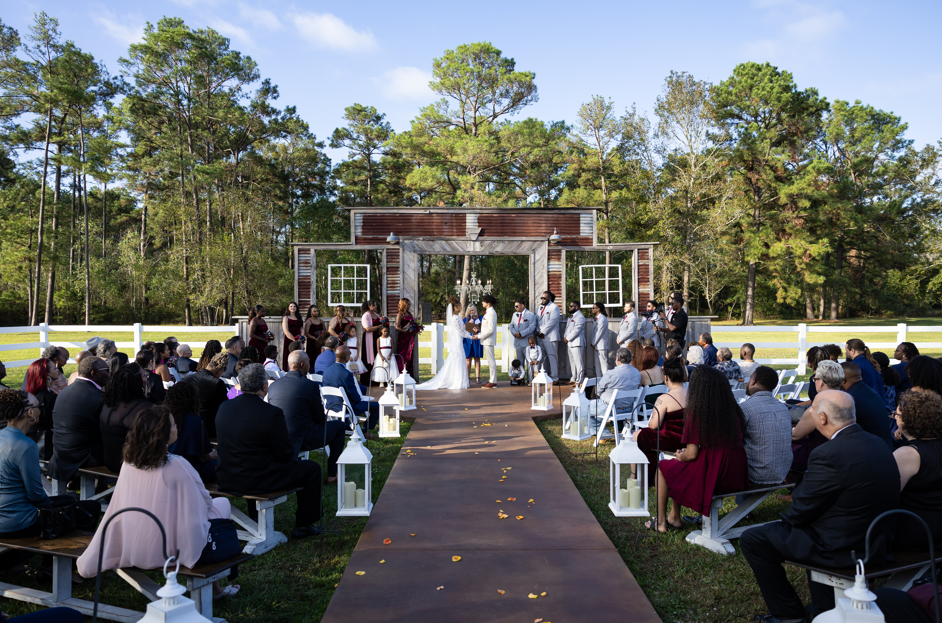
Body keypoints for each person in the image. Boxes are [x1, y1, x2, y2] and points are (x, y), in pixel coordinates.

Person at [740, 390, 900, 622]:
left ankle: (788, 615)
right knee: (811, 529)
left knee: (753, 539)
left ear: (822, 418)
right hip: (877, 541)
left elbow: (799, 513)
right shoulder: (879, 443)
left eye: (811, 410)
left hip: (843, 548)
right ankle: (823, 606)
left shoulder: (827, 454)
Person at [76, 406, 239, 599]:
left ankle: (216, 588)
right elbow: (205, 502)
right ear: (163, 433)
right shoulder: (176, 464)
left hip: (133, 539)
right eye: (173, 425)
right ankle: (215, 587)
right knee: (222, 504)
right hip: (168, 548)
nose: (176, 427)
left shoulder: (128, 462)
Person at [216, 364, 322, 539]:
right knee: (312, 469)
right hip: (257, 479)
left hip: (226, 476)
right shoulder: (271, 413)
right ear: (264, 386)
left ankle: (255, 518)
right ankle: (303, 525)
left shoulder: (225, 407)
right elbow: (286, 454)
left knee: (255, 462)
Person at [0, 390, 101, 568]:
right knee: (90, 508)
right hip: (17, 523)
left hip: (6, 517)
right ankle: (61, 567)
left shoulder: (4, 436)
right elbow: (36, 495)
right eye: (39, 406)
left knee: (69, 500)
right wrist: (55, 509)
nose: (40, 410)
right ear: (30, 412)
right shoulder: (25, 446)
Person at [646, 366, 748, 532]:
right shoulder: (733, 411)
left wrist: (681, 456)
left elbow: (692, 454)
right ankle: (674, 517)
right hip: (735, 471)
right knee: (677, 468)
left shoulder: (697, 413)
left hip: (713, 473)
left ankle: (661, 522)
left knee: (664, 467)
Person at [268, 351, 345, 482]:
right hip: (302, 438)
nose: (309, 366)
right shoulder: (310, 386)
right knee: (339, 426)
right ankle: (332, 474)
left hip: (279, 438)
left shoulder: (274, 385)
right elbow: (320, 418)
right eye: (309, 362)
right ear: (303, 364)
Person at [891, 390, 942, 551]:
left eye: (897, 415)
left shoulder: (908, 454)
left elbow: (887, 496)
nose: (895, 418)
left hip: (916, 529)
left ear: (908, 420)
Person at [49, 356, 110, 484]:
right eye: (107, 370)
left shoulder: (65, 391)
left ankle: (101, 488)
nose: (109, 374)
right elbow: (107, 429)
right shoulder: (98, 398)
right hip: (83, 456)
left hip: (60, 452)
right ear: (94, 373)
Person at [740, 366, 793, 486]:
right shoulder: (783, 407)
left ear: (753, 381)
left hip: (755, 473)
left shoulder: (745, 408)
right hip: (782, 471)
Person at [633, 357, 688, 471]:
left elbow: (653, 425)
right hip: (690, 439)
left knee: (637, 435)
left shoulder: (664, 398)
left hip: (671, 440)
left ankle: (638, 475)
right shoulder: (693, 394)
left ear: (666, 378)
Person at [791, 360, 845, 472]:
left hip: (817, 457)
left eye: (814, 379)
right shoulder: (848, 402)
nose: (814, 382)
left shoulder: (816, 408)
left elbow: (795, 436)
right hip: (840, 453)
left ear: (821, 382)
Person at [100, 364, 152, 473]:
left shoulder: (109, 404)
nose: (146, 378)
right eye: (144, 376)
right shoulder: (144, 407)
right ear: (137, 382)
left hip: (109, 461)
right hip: (130, 464)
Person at [415, 297, 471, 391]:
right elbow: (461, 331)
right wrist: (471, 336)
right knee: (458, 358)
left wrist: (467, 326)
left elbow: (461, 328)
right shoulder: (456, 317)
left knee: (457, 358)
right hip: (457, 340)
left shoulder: (454, 317)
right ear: (455, 307)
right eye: (460, 306)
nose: (461, 307)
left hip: (457, 339)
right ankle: (458, 381)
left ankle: (456, 380)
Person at [165, 382, 216, 482]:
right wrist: (211, 456)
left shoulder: (165, 419)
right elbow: (203, 458)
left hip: (169, 467)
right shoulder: (197, 422)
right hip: (192, 470)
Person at [323, 346, 380, 434]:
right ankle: (365, 431)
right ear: (346, 358)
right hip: (346, 407)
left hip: (330, 406)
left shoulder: (326, 371)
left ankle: (347, 426)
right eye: (349, 355)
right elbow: (355, 397)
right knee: (378, 405)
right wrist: (360, 400)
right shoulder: (346, 374)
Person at [840, 361, 895, 448]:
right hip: (884, 446)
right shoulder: (868, 391)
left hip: (871, 449)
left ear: (843, 379)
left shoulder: (850, 398)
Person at [179, 351, 229, 438]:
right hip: (208, 426)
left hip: (187, 422)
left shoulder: (188, 378)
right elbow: (224, 407)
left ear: (208, 364)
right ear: (220, 371)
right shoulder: (217, 383)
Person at [590, 348, 640, 423]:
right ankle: (597, 427)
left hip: (610, 409)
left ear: (617, 359)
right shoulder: (637, 373)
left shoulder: (611, 374)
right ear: (630, 359)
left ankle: (601, 429)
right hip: (629, 408)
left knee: (581, 409)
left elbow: (597, 391)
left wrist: (603, 395)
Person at [24, 359, 57, 459]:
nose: (58, 370)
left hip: (31, 440)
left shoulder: (30, 394)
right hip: (45, 445)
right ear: (46, 375)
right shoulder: (48, 397)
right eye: (54, 368)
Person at [537, 291, 561, 383]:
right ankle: (544, 376)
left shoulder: (554, 307)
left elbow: (552, 321)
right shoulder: (539, 308)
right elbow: (537, 320)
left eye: (544, 298)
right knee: (542, 358)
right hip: (540, 336)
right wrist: (538, 331)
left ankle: (555, 378)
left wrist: (542, 332)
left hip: (550, 336)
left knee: (552, 357)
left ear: (550, 298)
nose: (542, 299)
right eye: (542, 298)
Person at [509, 298, 537, 378]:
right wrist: (515, 334)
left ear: (523, 305)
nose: (515, 308)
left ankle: (530, 379)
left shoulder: (530, 315)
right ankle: (520, 379)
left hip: (527, 342)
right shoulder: (514, 314)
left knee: (529, 361)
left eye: (516, 306)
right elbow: (511, 325)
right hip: (518, 342)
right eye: (514, 306)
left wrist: (521, 333)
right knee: (519, 362)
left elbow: (532, 327)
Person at [563, 301, 586, 386]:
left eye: (571, 306)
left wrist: (568, 338)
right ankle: (573, 378)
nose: (569, 307)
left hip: (577, 342)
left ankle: (580, 380)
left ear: (577, 307)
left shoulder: (580, 316)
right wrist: (565, 337)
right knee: (572, 362)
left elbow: (577, 330)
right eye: (569, 306)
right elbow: (568, 328)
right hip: (570, 342)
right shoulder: (571, 316)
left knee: (578, 362)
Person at [394, 298, 419, 375]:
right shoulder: (400, 314)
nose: (409, 306)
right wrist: (405, 331)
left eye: (409, 304)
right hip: (403, 337)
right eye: (408, 304)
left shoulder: (409, 314)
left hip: (410, 336)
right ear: (403, 305)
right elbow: (397, 327)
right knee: (403, 354)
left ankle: (408, 373)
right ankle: (400, 372)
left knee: (409, 354)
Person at [479, 295, 498, 389]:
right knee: (490, 361)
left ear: (488, 303)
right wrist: (479, 330)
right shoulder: (488, 312)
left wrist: (479, 336)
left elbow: (491, 330)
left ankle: (493, 381)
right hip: (486, 340)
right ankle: (492, 380)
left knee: (491, 361)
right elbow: (486, 327)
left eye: (484, 301)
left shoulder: (491, 313)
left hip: (489, 340)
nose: (482, 302)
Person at [360, 301, 382, 377]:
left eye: (376, 305)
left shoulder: (376, 315)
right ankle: (368, 378)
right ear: (369, 306)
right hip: (369, 338)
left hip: (377, 337)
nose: (376, 306)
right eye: (374, 305)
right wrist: (380, 326)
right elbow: (367, 329)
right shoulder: (365, 315)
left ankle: (377, 377)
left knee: (377, 355)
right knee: (369, 357)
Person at [589, 302, 611, 376]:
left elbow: (599, 332)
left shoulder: (603, 319)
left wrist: (593, 343)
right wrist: (594, 345)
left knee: (603, 364)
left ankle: (606, 379)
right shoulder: (597, 318)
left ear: (598, 309)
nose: (592, 309)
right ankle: (599, 379)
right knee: (597, 364)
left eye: (593, 308)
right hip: (596, 345)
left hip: (601, 345)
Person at [463, 304, 483, 384]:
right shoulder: (465, 319)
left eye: (473, 310)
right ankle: (467, 377)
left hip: (477, 339)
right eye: (470, 310)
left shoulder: (480, 318)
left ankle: (477, 377)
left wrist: (479, 329)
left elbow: (484, 328)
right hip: (468, 340)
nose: (472, 312)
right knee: (468, 358)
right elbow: (462, 329)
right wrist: (468, 323)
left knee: (477, 358)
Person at [282, 301, 303, 370]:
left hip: (299, 340)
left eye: (294, 306)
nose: (293, 308)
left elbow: (302, 328)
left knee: (298, 355)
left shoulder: (299, 317)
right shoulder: (286, 317)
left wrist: (301, 338)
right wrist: (294, 340)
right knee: (289, 355)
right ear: (288, 308)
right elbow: (286, 331)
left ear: (296, 308)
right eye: (291, 306)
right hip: (289, 339)